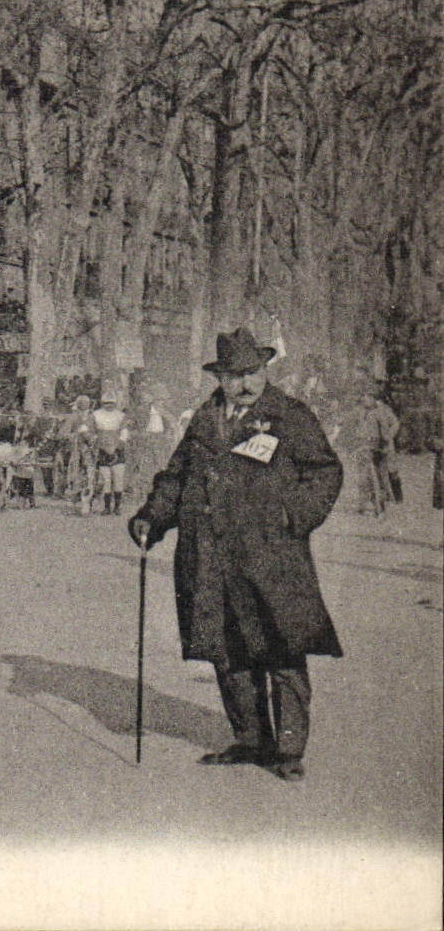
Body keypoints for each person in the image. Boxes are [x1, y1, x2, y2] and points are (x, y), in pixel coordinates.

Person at [129, 327, 343, 783]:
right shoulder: (205, 420)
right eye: (233, 375)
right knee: (228, 649)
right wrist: (152, 517)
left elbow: (324, 472)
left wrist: (294, 515)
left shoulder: (289, 416)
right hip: (211, 556)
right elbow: (176, 475)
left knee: (282, 648)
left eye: (251, 372)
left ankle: (287, 750)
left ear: (264, 370)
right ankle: (250, 739)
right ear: (220, 379)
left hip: (271, 557)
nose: (244, 383)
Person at [347, 386, 399, 515]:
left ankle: (380, 503)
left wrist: (388, 437)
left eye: (368, 397)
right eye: (363, 397)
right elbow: (349, 425)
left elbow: (393, 425)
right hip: (362, 445)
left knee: (379, 476)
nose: (365, 399)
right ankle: (363, 504)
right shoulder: (358, 411)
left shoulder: (382, 411)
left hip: (377, 446)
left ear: (374, 398)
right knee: (363, 476)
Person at [88, 387, 130, 515]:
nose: (109, 405)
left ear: (116, 403)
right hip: (102, 449)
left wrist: (118, 446)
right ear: (102, 402)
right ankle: (106, 507)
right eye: (107, 403)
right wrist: (99, 445)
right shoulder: (95, 414)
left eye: (112, 402)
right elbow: (92, 432)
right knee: (105, 479)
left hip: (118, 449)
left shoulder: (121, 416)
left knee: (118, 478)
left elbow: (125, 432)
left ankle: (117, 507)